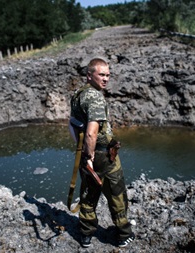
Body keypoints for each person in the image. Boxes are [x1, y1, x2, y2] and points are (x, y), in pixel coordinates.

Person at [70, 58, 135, 248]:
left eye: (108, 75)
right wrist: (91, 157)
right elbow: (91, 132)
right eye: (101, 75)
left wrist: (83, 152)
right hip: (103, 156)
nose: (106, 79)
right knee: (116, 194)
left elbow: (72, 124)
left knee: (89, 194)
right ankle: (124, 234)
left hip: (85, 152)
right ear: (89, 75)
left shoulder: (78, 94)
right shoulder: (95, 97)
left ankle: (85, 234)